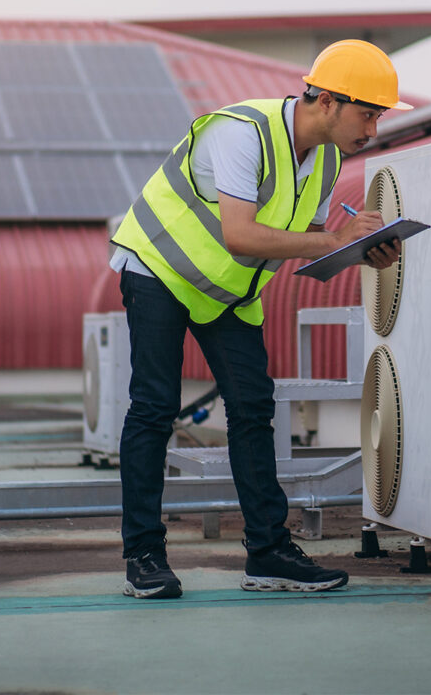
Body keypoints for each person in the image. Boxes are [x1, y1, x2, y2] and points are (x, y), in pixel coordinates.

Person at [108, 39, 411, 598]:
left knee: (253, 408)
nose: (373, 128)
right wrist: (332, 237)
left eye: (379, 116)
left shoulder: (325, 159)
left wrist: (360, 247)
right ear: (328, 102)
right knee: (154, 406)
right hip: (160, 267)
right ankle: (144, 557)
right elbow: (241, 233)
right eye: (368, 113)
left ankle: (268, 554)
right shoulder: (240, 132)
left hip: (227, 289)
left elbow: (306, 240)